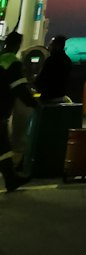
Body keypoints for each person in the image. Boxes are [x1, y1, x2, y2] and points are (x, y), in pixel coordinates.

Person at [1, 31, 38, 192]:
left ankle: (11, 178)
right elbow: (20, 89)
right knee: (2, 145)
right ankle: (11, 179)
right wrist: (35, 104)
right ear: (17, 46)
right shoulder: (12, 63)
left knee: (2, 147)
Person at [37, 36, 73, 103]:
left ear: (57, 46)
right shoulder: (67, 60)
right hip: (61, 97)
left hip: (49, 98)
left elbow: (42, 79)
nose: (48, 47)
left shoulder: (51, 60)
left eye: (51, 44)